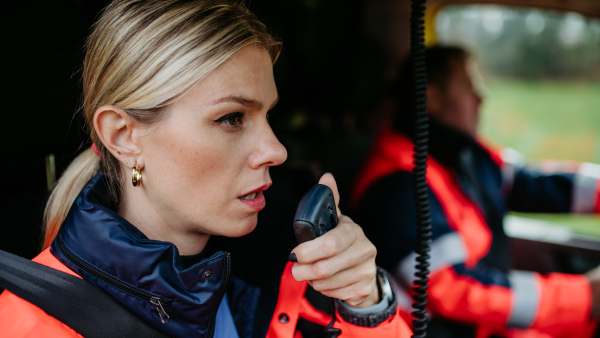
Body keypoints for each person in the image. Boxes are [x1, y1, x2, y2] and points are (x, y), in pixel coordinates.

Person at [0, 1, 412, 337]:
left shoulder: (295, 272)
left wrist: (365, 304)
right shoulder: (28, 324)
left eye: (269, 116)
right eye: (232, 118)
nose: (276, 150)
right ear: (123, 136)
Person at [352, 45, 600, 337]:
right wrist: (586, 297)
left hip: (485, 319)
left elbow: (529, 184)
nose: (481, 98)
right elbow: (451, 288)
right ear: (430, 98)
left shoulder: (462, 152)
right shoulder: (396, 184)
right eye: (469, 87)